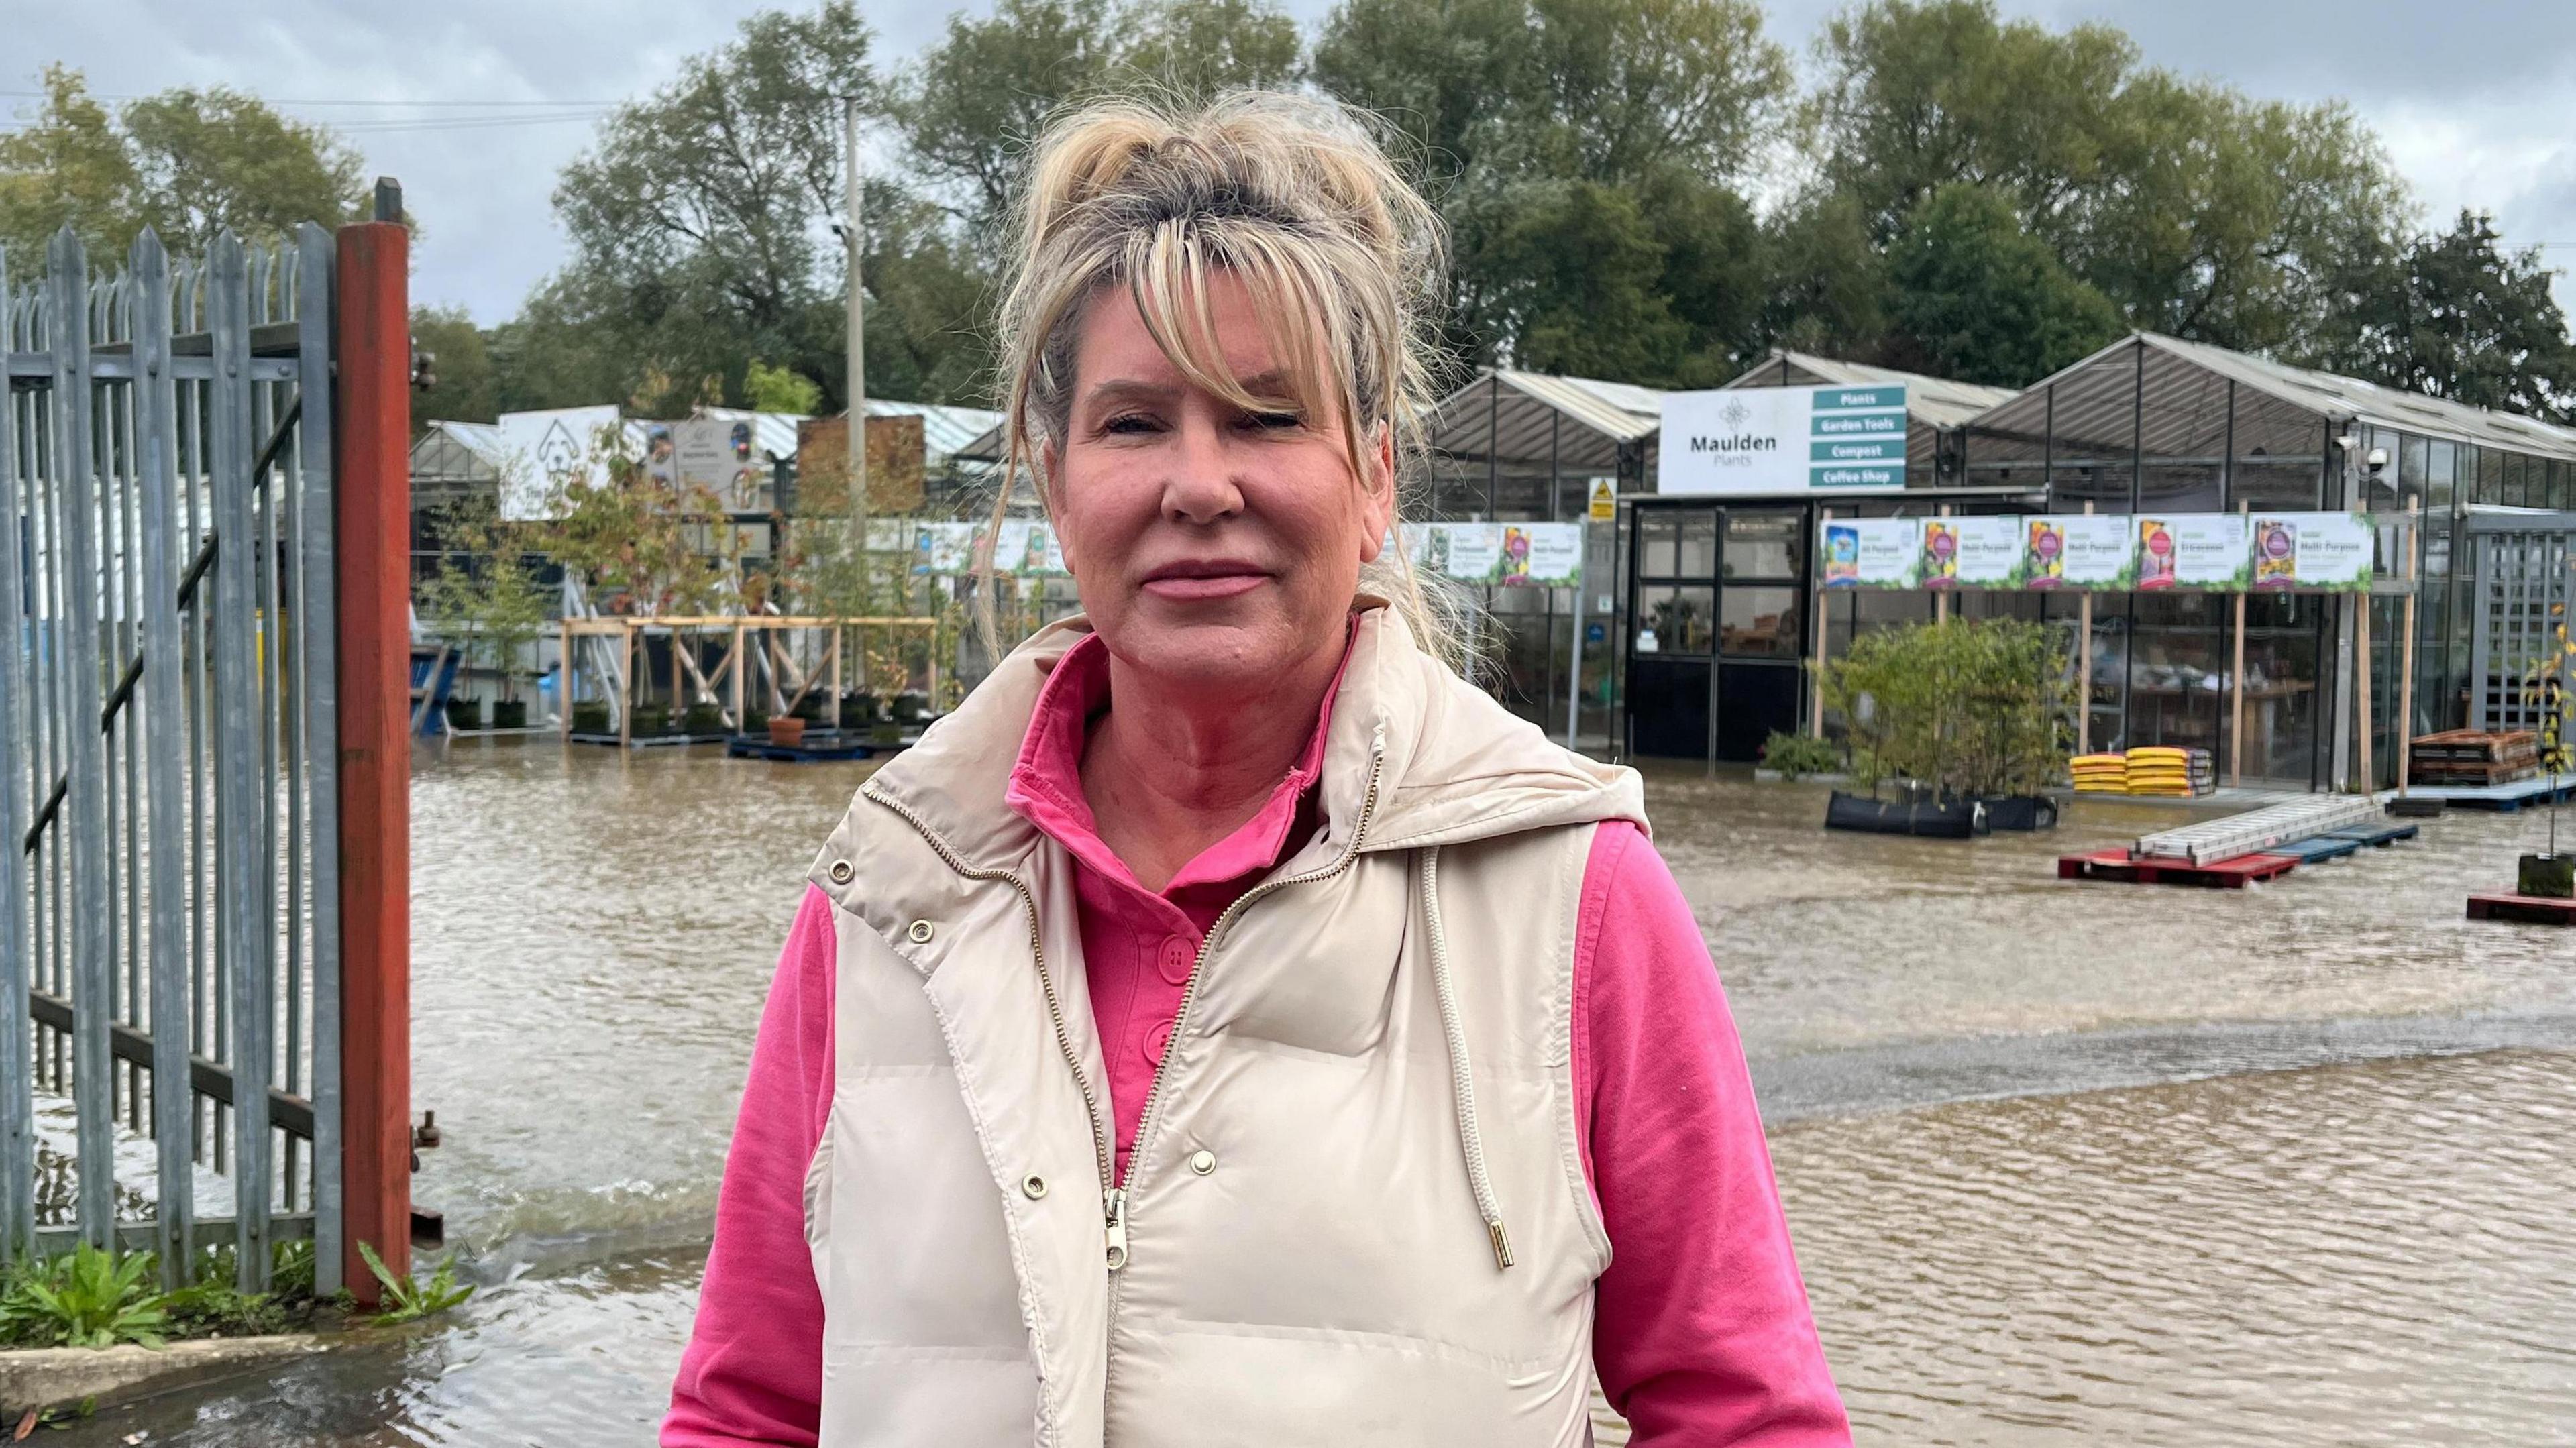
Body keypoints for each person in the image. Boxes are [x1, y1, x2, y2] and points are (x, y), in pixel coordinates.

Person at [663, 90, 1849, 1447]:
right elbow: (747, 1405)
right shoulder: (886, 899)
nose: (1201, 483)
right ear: (1056, 486)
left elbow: (1741, 1411)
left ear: (1377, 479)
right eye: (1132, 423)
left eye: (1267, 417)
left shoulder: (1573, 895)